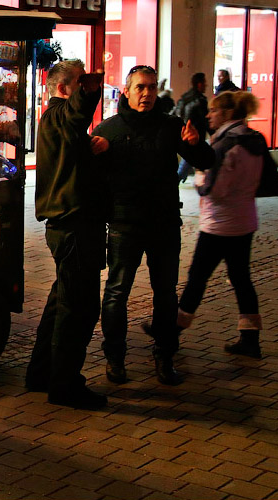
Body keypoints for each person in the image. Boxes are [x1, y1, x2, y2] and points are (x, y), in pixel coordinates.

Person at [92, 65, 214, 386]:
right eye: (140, 88)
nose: (146, 94)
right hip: (124, 224)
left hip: (163, 223)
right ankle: (115, 358)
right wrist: (98, 156)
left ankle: (164, 355)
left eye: (150, 88)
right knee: (117, 293)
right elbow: (91, 178)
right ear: (126, 91)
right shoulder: (109, 130)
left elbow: (206, 160)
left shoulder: (171, 126)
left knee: (165, 293)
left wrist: (196, 144)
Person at [25, 59, 111, 410]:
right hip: (74, 227)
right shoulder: (60, 113)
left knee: (63, 303)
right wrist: (91, 86)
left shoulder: (60, 123)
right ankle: (64, 385)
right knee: (80, 309)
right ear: (63, 89)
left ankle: (41, 373)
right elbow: (77, 112)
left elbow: (73, 153)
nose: (85, 88)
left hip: (72, 225)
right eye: (78, 83)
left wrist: (94, 148)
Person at [178, 91, 266, 359]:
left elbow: (213, 190)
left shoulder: (224, 146)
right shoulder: (255, 139)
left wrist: (200, 178)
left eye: (213, 110)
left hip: (219, 224)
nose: (208, 115)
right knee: (241, 279)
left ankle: (171, 331)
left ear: (227, 114)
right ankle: (250, 338)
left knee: (197, 277)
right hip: (245, 220)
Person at [174, 73, 209, 182]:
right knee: (189, 159)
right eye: (204, 83)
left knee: (190, 159)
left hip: (184, 133)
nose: (206, 85)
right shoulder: (200, 100)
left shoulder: (185, 97)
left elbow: (176, 113)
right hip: (194, 135)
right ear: (199, 84)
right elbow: (204, 120)